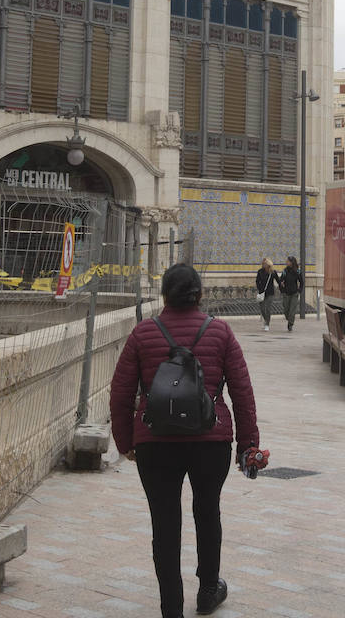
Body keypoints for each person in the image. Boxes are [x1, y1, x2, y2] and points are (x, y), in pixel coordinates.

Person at [110, 263, 261, 618]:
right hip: (211, 442)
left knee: (164, 523)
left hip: (155, 443)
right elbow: (242, 392)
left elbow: (120, 394)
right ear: (200, 294)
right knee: (208, 511)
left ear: (164, 295)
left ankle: (171, 610)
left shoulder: (143, 334)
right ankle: (209, 589)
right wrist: (247, 446)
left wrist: (125, 441)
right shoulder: (220, 333)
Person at [255, 257, 280, 331]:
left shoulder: (273, 272)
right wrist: (260, 288)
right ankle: (266, 320)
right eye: (262, 263)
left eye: (264, 263)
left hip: (270, 293)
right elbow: (257, 281)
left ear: (268, 264)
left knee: (268, 309)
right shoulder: (260, 271)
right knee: (262, 309)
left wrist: (282, 286)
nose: (262, 264)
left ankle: (267, 324)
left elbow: (278, 280)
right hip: (262, 292)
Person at [279, 255, 303, 331]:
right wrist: (282, 290)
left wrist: (299, 290)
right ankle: (289, 319)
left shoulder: (297, 271)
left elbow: (301, 282)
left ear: (292, 262)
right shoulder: (285, 271)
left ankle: (290, 324)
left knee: (292, 310)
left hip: (294, 293)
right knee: (286, 310)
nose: (286, 262)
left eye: (288, 261)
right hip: (286, 293)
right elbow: (281, 281)